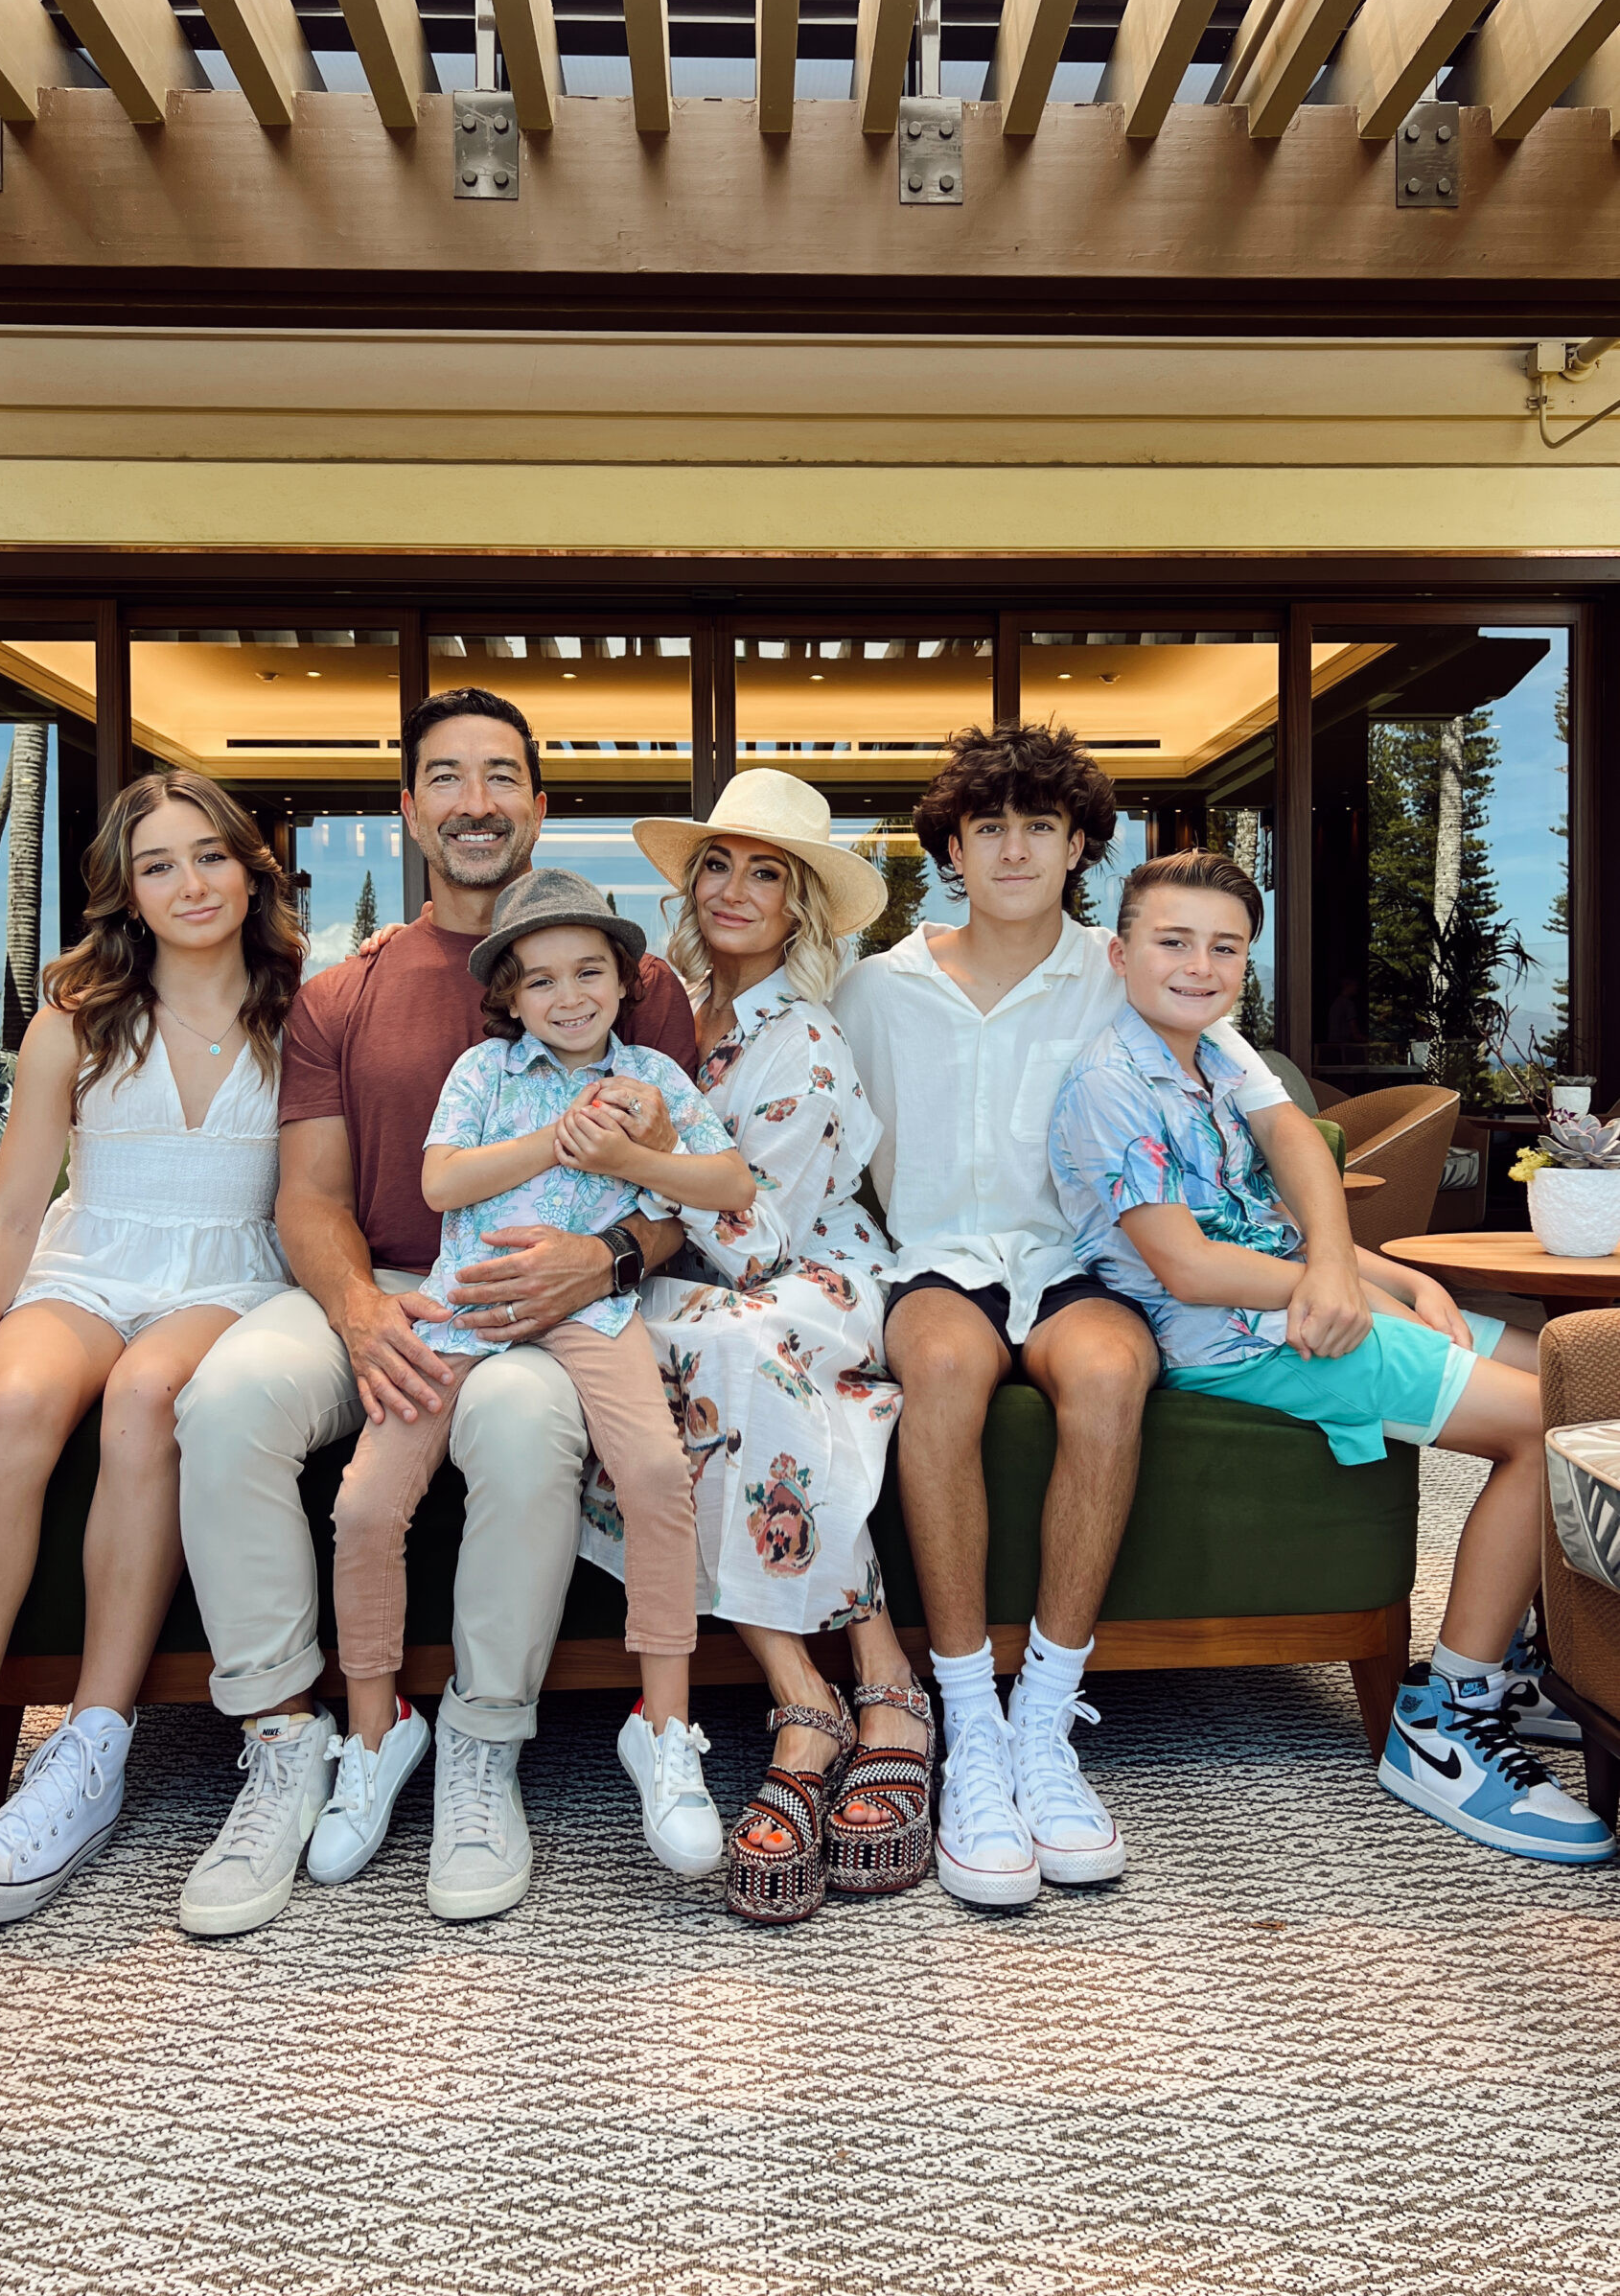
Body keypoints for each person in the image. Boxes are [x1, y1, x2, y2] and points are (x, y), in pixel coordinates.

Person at [833, 722, 1387, 1911]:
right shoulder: (876, 986)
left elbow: (1278, 1112)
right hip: (935, 1261)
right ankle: (968, 1721)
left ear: (1080, 841)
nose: (1016, 848)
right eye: (991, 827)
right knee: (934, 1368)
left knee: (1104, 1376)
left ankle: (1046, 1719)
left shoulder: (1126, 966)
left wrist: (1340, 1257)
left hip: (1091, 1263)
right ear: (954, 844)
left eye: (1042, 825)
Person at [174, 688, 696, 1937]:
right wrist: (361, 1316)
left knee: (523, 1429)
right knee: (226, 1397)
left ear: (537, 802)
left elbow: (684, 1197)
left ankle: (480, 1746)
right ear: (409, 809)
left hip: (540, 1291)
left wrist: (602, 1258)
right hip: (375, 1289)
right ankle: (287, 1740)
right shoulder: (339, 993)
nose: (474, 800)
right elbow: (306, 1199)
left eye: (500, 775)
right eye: (446, 778)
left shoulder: (638, 983)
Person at [1049, 848, 1612, 1867]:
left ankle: (1533, 1656)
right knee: (1542, 1424)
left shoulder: (1214, 1055)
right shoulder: (1108, 1082)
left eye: (1224, 946)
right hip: (1235, 1339)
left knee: (1578, 1373)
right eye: (1173, 941)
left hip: (1304, 1299)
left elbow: (1268, 1220)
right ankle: (1446, 1718)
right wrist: (1337, 1288)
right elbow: (1188, 1266)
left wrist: (1390, 1273)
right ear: (1120, 949)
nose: (1198, 964)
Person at [0, 772, 303, 1944]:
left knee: (147, 1395)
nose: (188, 883)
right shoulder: (72, 1015)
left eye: (209, 855)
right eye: (158, 863)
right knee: (19, 1404)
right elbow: (12, 1215)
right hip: (88, 1265)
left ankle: (93, 1748)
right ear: (124, 890)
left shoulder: (303, 1007)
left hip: (230, 1278)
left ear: (251, 866)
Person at [309, 870, 751, 1890]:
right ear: (508, 995)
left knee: (653, 1472)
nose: (569, 995)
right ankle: (377, 1732)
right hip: (470, 1308)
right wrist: (556, 1140)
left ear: (621, 980)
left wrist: (645, 1144)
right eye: (541, 979)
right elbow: (440, 1181)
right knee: (368, 1503)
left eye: (589, 971)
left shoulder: (649, 1077)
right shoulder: (484, 1070)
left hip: (594, 1310)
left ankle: (665, 1725)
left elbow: (729, 1187)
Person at [581, 770, 924, 1926]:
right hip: (685, 1282)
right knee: (627, 1345)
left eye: (764, 872)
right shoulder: (658, 1011)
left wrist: (633, 1165)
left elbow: (755, 1238)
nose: (733, 888)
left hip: (809, 1278)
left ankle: (819, 1704)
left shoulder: (807, 1041)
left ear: (800, 909)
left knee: (734, 1353)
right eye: (717, 864)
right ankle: (851, 1685)